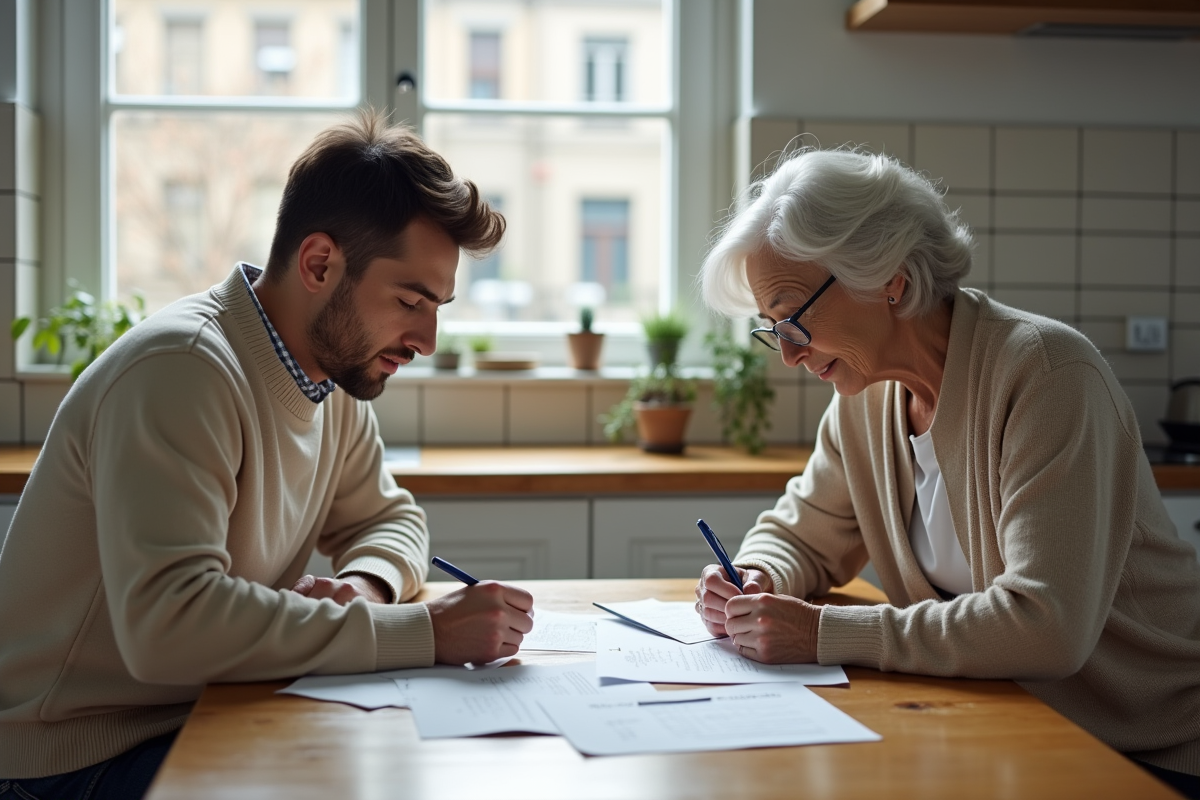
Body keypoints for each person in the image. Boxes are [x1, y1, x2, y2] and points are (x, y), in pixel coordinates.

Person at [0, 110, 535, 798]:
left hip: (203, 709)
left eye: (438, 306)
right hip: (75, 753)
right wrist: (424, 630)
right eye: (410, 300)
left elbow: (390, 520)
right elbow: (171, 626)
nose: (427, 338)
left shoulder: (329, 372)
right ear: (319, 263)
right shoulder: (184, 370)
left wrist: (365, 587)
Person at [693, 147, 1200, 797]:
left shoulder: (1045, 376)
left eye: (794, 317)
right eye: (772, 329)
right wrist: (760, 575)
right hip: (1008, 726)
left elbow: (1045, 627)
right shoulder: (864, 398)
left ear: (889, 280)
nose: (787, 353)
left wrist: (821, 633)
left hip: (1140, 749)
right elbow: (799, 534)